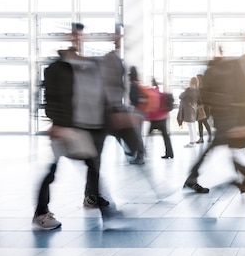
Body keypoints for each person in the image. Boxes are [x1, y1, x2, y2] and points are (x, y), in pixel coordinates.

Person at [184, 32, 245, 228]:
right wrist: (234, 124)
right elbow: (215, 97)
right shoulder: (219, 70)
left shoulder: (229, 66)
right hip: (236, 127)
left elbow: (242, 71)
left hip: (242, 125)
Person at [33, 22, 111, 230]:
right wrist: (58, 123)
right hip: (64, 127)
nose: (78, 40)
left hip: (80, 126)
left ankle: (105, 210)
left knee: (90, 165)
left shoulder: (83, 66)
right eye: (75, 36)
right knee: (54, 170)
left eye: (80, 36)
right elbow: (50, 97)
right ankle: (41, 212)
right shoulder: (57, 68)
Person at [101, 25, 145, 165]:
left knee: (130, 135)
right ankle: (136, 152)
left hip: (120, 110)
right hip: (119, 110)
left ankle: (136, 153)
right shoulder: (113, 60)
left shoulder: (114, 61)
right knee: (130, 134)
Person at [146, 77, 174, 159]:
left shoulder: (152, 93)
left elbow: (151, 107)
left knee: (147, 136)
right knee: (166, 137)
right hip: (163, 118)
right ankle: (170, 153)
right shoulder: (160, 94)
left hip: (155, 119)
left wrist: (147, 117)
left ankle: (142, 152)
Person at [177, 76, 199, 148]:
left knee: (190, 127)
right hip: (194, 109)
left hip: (188, 110)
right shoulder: (197, 90)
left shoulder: (189, 89)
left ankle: (192, 142)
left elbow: (180, 96)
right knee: (193, 126)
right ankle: (194, 141)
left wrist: (184, 91)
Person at [195, 74, 213, 144]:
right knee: (200, 123)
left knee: (204, 122)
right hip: (199, 108)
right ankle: (201, 138)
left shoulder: (205, 88)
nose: (198, 80)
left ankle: (210, 136)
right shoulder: (197, 88)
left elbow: (209, 98)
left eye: (198, 78)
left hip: (205, 108)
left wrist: (204, 104)